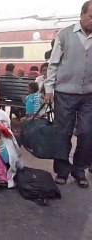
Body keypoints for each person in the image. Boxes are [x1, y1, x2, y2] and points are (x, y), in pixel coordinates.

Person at [44, 0, 92, 188]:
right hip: (64, 93)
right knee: (63, 133)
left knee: (88, 133)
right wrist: (49, 89)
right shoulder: (65, 35)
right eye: (91, 17)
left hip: (89, 94)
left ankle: (79, 169)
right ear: (81, 15)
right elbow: (53, 64)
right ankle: (62, 170)